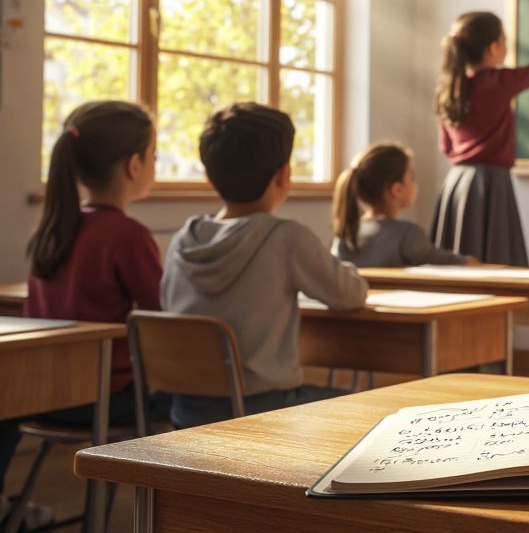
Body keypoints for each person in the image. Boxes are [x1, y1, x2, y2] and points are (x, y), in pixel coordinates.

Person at [1, 101, 166, 528]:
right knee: (204, 393)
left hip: (38, 394)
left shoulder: (53, 226)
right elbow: (162, 321)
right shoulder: (127, 235)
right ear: (134, 165)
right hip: (103, 398)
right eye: (154, 154)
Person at [162, 103, 367, 428]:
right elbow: (350, 294)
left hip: (187, 414)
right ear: (284, 175)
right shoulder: (285, 237)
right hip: (264, 414)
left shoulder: (180, 241)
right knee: (368, 404)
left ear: (209, 176)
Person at [432, 7, 529, 264]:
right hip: (491, 183)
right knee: (495, 259)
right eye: (504, 41)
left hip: (457, 183)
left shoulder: (448, 89)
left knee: (457, 261)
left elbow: (445, 147)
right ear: (493, 48)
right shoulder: (496, 82)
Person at [332, 142, 472, 268]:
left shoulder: (346, 234)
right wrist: (467, 261)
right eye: (412, 178)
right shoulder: (408, 234)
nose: (415, 183)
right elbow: (440, 260)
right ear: (397, 190)